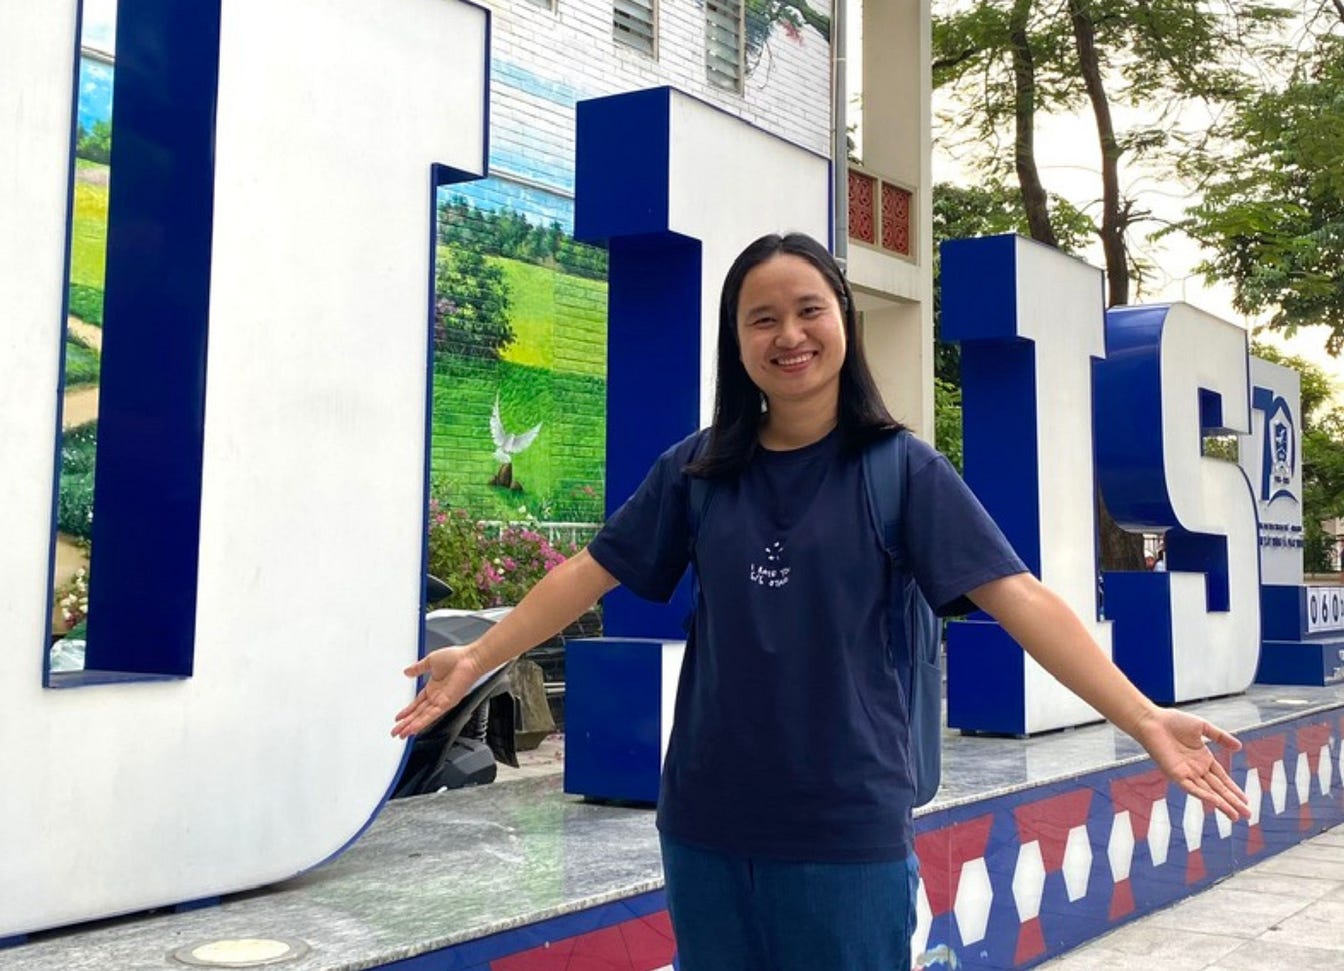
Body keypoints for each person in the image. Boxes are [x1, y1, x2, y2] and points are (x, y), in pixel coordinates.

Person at [392, 232, 1250, 971]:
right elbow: (590, 571)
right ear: (736, 340)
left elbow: (1021, 597)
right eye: (762, 318)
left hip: (845, 833)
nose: (789, 335)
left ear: (844, 318)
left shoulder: (902, 469)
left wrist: (1143, 717)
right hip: (706, 825)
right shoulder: (698, 470)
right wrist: (480, 654)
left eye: (809, 310)